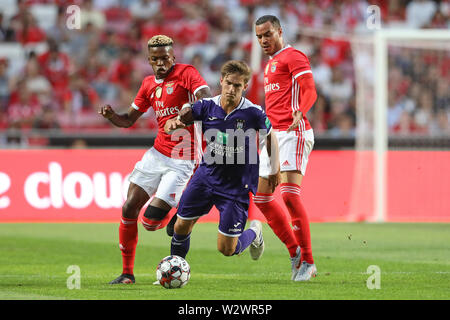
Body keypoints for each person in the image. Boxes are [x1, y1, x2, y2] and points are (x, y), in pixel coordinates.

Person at [99, 35, 211, 284]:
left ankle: (186, 213)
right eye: (155, 59)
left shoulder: (187, 73)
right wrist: (111, 115)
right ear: (149, 60)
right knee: (129, 207)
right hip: (157, 153)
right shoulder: (148, 84)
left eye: (165, 58)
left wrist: (185, 116)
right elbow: (128, 120)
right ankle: (127, 274)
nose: (161, 63)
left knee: (149, 222)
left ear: (173, 56)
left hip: (183, 157)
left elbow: (206, 95)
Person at [164, 60, 280, 262]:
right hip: (206, 177)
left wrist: (274, 170)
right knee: (180, 225)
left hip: (235, 186)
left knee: (227, 249)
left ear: (245, 86)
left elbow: (271, 137)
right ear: (221, 82)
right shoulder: (207, 107)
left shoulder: (253, 112)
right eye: (228, 83)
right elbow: (175, 122)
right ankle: (175, 265)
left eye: (237, 86)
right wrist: (173, 123)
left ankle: (255, 232)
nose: (231, 89)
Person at [254, 15, 318, 281]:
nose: (263, 40)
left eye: (267, 34)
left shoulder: (294, 56)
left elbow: (310, 90)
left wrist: (300, 112)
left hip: (294, 132)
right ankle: (295, 252)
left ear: (280, 31)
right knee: (262, 198)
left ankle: (309, 263)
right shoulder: (269, 65)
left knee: (290, 196)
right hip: (273, 135)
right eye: (259, 36)